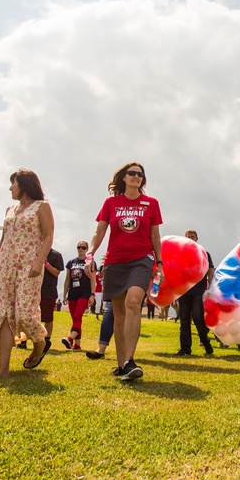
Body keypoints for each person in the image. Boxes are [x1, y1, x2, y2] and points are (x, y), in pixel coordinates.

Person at [84, 162, 163, 382]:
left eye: (140, 174)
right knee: (118, 314)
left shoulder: (151, 203)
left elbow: (155, 236)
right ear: (123, 177)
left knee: (133, 302)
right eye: (132, 173)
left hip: (142, 260)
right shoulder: (111, 203)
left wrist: (161, 264)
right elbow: (99, 232)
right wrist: (90, 254)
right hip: (114, 261)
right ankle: (122, 366)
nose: (136, 177)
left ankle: (130, 360)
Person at [0, 170, 55, 379]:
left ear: (24, 184)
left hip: (29, 265)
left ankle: (40, 343)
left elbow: (48, 236)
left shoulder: (42, 206)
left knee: (23, 313)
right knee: (4, 313)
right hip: (6, 265)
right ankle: (2, 369)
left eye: (13, 184)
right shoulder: (10, 209)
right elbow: (3, 240)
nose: (10, 188)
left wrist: (39, 262)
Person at [177, 229, 215, 356]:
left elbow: (210, 269)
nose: (190, 239)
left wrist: (209, 282)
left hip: (198, 291)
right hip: (183, 291)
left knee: (199, 319)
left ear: (197, 238)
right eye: (188, 237)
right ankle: (185, 349)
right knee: (184, 321)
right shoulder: (181, 254)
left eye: (192, 237)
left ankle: (206, 344)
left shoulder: (204, 253)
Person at [62, 240, 95, 351]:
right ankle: (77, 345)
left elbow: (93, 279)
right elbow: (67, 279)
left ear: (87, 249)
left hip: (84, 292)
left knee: (77, 316)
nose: (80, 249)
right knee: (76, 319)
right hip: (72, 292)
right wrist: (64, 295)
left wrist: (92, 294)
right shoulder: (71, 262)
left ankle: (70, 339)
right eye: (79, 247)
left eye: (83, 247)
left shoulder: (90, 262)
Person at [40, 248, 65, 351]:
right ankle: (23, 341)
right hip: (33, 290)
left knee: (48, 318)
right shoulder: (33, 251)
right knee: (27, 316)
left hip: (49, 291)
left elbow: (56, 273)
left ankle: (47, 340)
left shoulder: (56, 255)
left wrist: (45, 263)